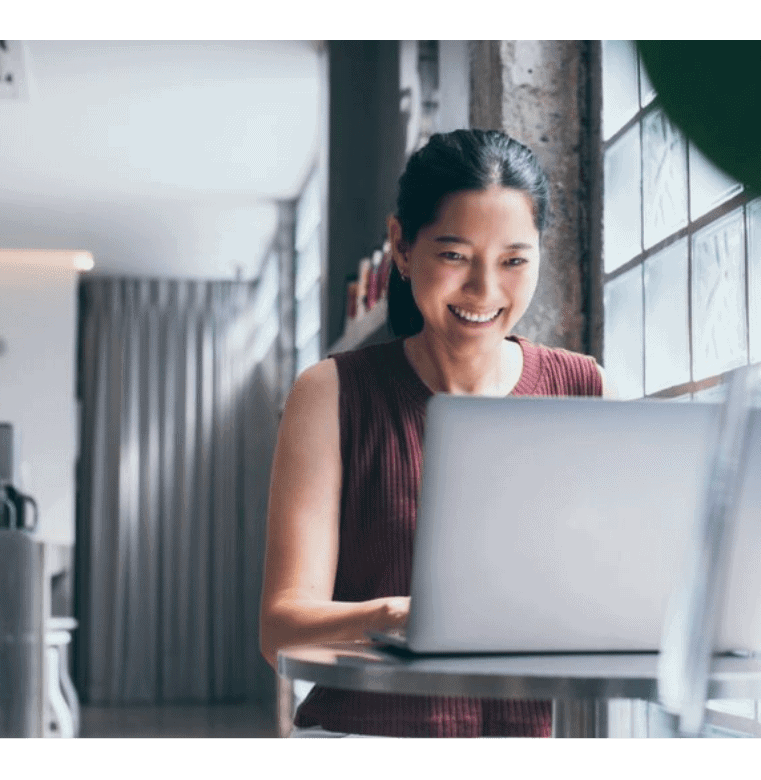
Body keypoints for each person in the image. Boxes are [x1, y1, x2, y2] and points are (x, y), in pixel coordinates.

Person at [259, 129, 614, 738]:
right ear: (402, 247)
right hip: (363, 741)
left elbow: (602, 598)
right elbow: (281, 630)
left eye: (513, 261)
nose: (483, 290)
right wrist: (404, 615)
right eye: (454, 255)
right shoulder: (333, 392)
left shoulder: (580, 386)